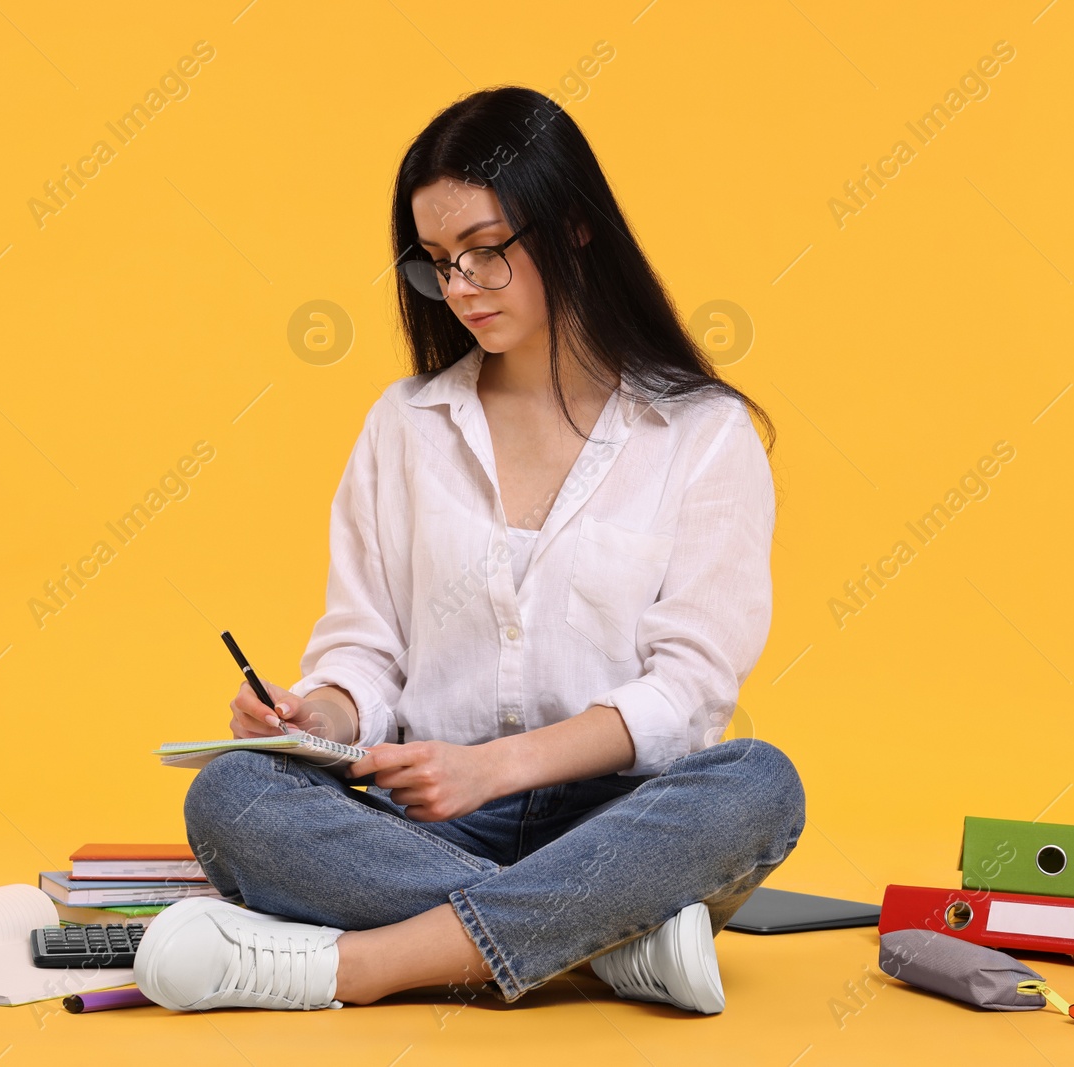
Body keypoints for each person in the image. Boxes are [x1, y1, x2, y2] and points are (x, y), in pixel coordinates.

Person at [134, 85, 806, 1016]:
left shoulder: (699, 432)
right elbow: (366, 651)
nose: (460, 289)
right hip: (423, 821)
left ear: (573, 228)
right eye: (438, 263)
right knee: (236, 796)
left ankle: (359, 966)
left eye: (486, 252)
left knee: (758, 785)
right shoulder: (405, 425)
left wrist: (496, 765)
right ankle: (607, 943)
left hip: (617, 820)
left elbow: (689, 694)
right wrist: (313, 710)